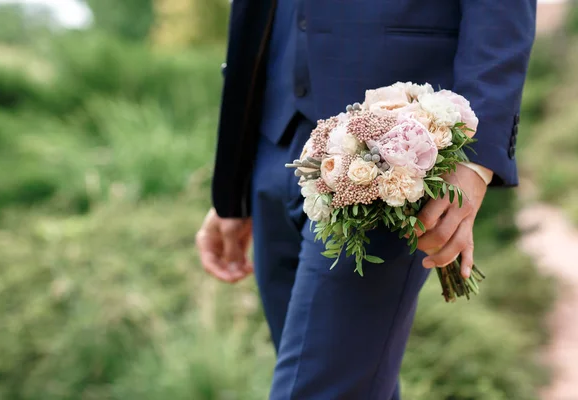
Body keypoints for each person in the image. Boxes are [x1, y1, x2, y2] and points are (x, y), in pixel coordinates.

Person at [196, 0, 536, 398]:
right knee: (350, 385)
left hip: (394, 152)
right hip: (272, 145)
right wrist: (234, 184)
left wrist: (474, 161)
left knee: (316, 389)